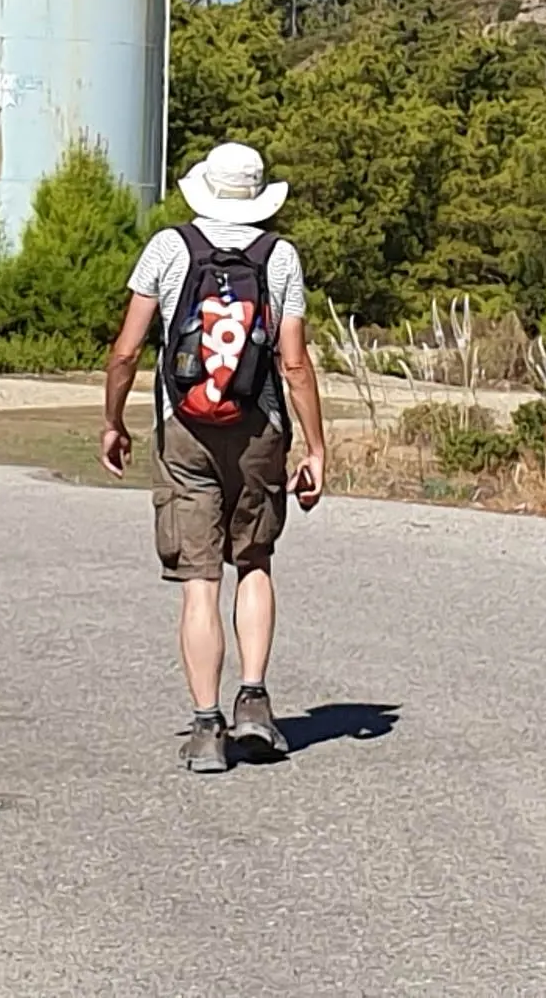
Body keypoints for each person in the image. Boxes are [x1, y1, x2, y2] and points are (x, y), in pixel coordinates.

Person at [101, 140, 327, 774]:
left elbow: (125, 350)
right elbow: (294, 362)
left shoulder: (170, 249)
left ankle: (206, 729)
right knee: (253, 560)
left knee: (200, 579)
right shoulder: (279, 256)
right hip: (261, 427)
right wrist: (315, 445)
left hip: (184, 428)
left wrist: (113, 423)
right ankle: (253, 701)